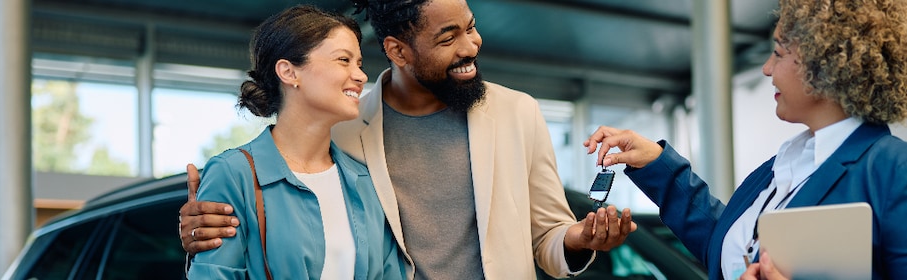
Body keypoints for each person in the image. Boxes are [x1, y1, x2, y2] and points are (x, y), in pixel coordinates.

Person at [179, 0, 637, 278]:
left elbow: (550, 240)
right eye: (448, 37)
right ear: (398, 50)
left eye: (471, 27)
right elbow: (280, 185)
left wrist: (579, 239)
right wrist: (206, 220)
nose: (471, 46)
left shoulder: (517, 114)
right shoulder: (341, 128)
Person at [582, 0, 907, 279]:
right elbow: (727, 246)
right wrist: (656, 166)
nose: (767, 69)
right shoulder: (780, 167)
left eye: (779, 53)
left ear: (825, 65)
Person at [185, 5, 406, 279]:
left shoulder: (364, 182)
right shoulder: (234, 174)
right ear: (289, 72)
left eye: (359, 63)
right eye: (343, 60)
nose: (361, 76)